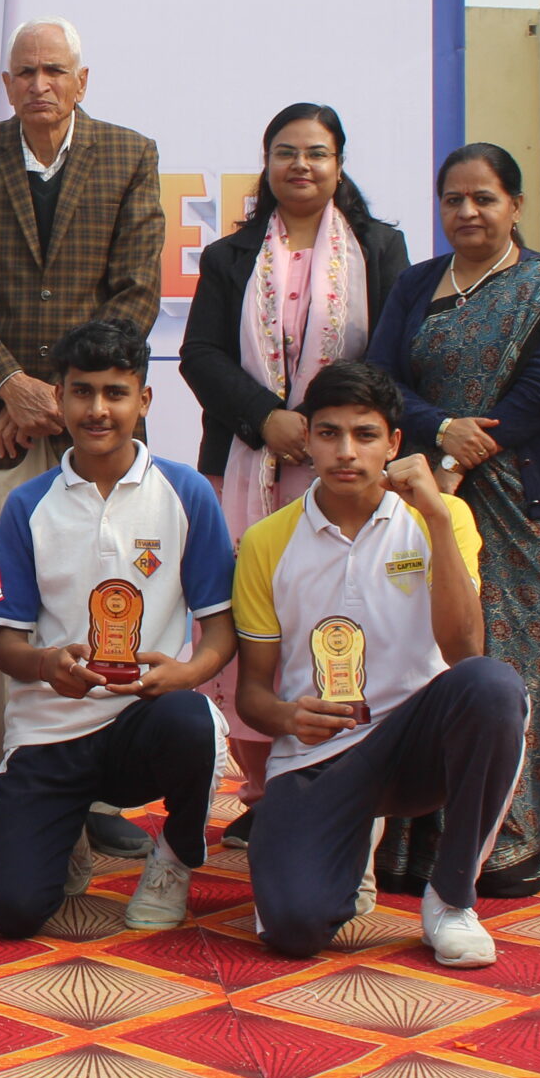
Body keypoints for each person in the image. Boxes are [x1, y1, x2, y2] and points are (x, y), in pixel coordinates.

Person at [0, 18, 163, 860]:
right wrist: (7, 385)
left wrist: (54, 395)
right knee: (5, 609)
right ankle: (15, 785)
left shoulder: (130, 155)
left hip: (93, 422)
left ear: (81, 80)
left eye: (54, 70)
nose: (39, 84)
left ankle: (92, 790)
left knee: (100, 594)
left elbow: (136, 292)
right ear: (6, 82)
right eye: (24, 72)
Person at [366, 142, 540, 898]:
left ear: (515, 205)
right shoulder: (417, 284)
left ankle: (506, 844)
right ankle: (413, 845)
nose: (468, 212)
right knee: (425, 660)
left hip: (525, 511)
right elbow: (382, 379)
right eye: (454, 199)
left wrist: (470, 448)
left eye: (484, 198)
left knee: (511, 670)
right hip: (427, 497)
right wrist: (440, 429)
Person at [235, 361, 524, 968]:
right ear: (307, 439)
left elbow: (465, 651)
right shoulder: (265, 541)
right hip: (318, 755)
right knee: (293, 929)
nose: (346, 452)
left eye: (365, 435)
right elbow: (252, 696)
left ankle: (452, 901)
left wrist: (437, 516)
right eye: (329, 433)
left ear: (393, 443)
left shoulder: (442, 519)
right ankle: (344, 844)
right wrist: (288, 717)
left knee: (493, 688)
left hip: (417, 741)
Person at [179, 103, 410, 842]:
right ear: (267, 163)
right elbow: (200, 355)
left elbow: (394, 355)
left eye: (316, 152)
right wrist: (266, 418)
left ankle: (345, 774)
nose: (300, 165)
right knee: (253, 625)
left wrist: (320, 426)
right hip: (246, 468)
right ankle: (261, 790)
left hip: (342, 470)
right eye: (286, 152)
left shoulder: (380, 248)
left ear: (339, 164)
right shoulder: (231, 256)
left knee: (335, 618)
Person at [0, 320, 234, 939]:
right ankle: (61, 830)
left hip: (142, 721)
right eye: (82, 392)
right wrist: (46, 665)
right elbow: (7, 644)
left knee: (195, 721)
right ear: (59, 398)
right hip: (49, 731)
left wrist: (187, 673)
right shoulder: (27, 505)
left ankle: (174, 859)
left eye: (115, 393)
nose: (98, 410)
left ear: (143, 400)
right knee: (13, 915)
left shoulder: (186, 492)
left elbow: (220, 629)